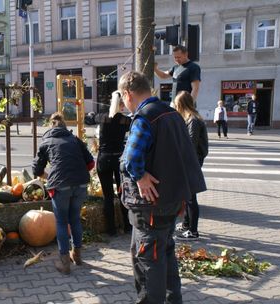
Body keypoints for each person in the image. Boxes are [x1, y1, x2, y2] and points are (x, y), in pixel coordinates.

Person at [118, 71, 206, 303]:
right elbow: (187, 158)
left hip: (149, 207)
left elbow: (130, 159)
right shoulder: (173, 114)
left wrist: (139, 176)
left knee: (148, 265)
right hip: (171, 201)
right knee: (166, 257)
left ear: (127, 94)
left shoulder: (144, 117)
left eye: (122, 98)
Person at [32, 112, 94, 275]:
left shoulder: (46, 142)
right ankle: (78, 256)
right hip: (80, 183)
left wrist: (49, 176)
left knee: (61, 222)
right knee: (75, 219)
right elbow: (91, 163)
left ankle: (65, 262)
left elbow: (36, 169)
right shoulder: (75, 140)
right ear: (64, 125)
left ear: (50, 126)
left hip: (60, 185)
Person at [93, 91, 132, 236]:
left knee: (108, 196)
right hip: (119, 159)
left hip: (104, 159)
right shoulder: (125, 120)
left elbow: (90, 118)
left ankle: (111, 229)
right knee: (123, 193)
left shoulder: (102, 118)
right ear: (121, 105)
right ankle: (127, 226)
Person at [174, 91, 209, 241]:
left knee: (190, 197)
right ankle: (186, 225)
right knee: (187, 195)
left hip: (191, 162)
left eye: (176, 105)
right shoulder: (192, 118)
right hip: (192, 161)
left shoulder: (193, 120)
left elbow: (190, 144)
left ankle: (193, 231)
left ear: (181, 104)